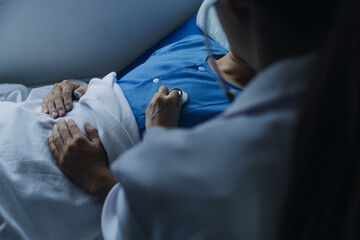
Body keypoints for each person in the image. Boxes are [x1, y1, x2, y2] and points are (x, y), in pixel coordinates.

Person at [48, 0, 360, 239]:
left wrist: (101, 180)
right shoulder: (193, 46)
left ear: (236, 6)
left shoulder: (181, 168)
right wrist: (85, 89)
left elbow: (147, 218)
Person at [0, 35, 255, 239]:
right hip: (28, 120)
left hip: (45, 186)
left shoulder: (248, 124)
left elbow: (179, 226)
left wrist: (98, 177)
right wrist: (77, 89)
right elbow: (120, 93)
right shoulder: (193, 44)